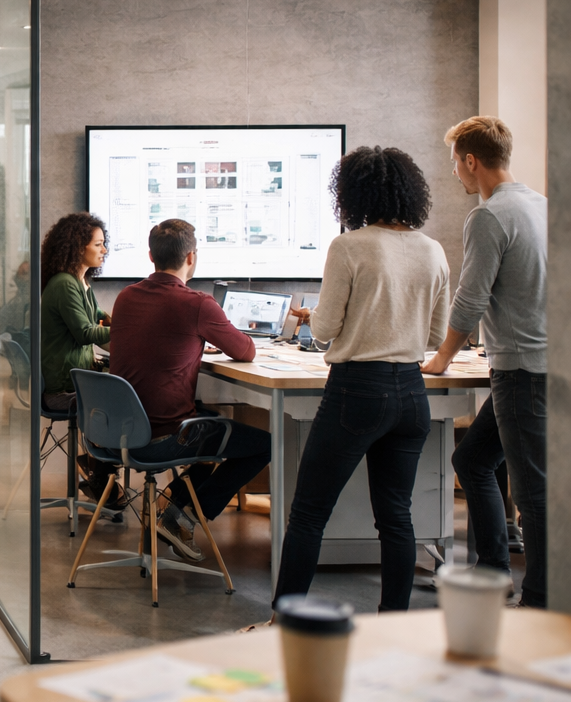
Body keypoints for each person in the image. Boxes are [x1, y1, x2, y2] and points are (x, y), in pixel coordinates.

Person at [275, 146, 450, 612]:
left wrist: (315, 316)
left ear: (352, 193)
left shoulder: (350, 246)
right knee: (396, 518)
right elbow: (435, 334)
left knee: (309, 514)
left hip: (357, 391)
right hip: (412, 394)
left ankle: (284, 623)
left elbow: (327, 329)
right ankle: (393, 623)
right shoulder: (432, 250)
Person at [421, 117, 546, 608]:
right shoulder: (539, 205)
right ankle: (491, 572)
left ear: (471, 160)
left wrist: (442, 358)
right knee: (472, 459)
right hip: (539, 361)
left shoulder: (489, 215)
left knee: (532, 494)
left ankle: (541, 599)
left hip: (522, 370)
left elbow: (470, 300)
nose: (455, 173)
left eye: (456, 162)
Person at [108, 219, 270, 562]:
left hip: (115, 432)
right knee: (264, 445)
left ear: (150, 256)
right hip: (166, 437)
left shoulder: (124, 297)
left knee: (210, 421)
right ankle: (181, 516)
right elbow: (246, 351)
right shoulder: (197, 303)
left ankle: (176, 503)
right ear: (192, 258)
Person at [39, 213, 110, 411]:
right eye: (98, 244)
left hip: (76, 384)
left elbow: (99, 316)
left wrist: (117, 322)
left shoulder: (80, 282)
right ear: (79, 247)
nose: (104, 250)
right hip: (63, 393)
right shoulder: (65, 284)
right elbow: (86, 333)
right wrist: (129, 328)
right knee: (128, 400)